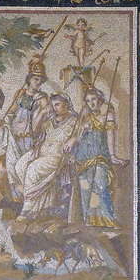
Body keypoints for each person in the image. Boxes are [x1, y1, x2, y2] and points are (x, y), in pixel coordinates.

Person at [0, 55, 49, 203]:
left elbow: (48, 115)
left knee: (24, 168)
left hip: (31, 139)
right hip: (15, 137)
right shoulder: (20, 94)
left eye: (40, 80)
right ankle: (17, 200)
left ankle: (29, 200)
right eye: (36, 79)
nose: (38, 82)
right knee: (11, 168)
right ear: (29, 79)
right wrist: (2, 121)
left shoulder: (42, 97)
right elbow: (11, 112)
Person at [16, 93, 80, 220]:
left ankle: (28, 209)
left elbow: (83, 135)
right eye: (53, 105)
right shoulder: (51, 121)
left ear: (67, 104)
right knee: (20, 165)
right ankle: (38, 206)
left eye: (58, 104)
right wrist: (42, 114)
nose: (55, 108)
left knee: (33, 169)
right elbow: (34, 132)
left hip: (58, 155)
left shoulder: (74, 121)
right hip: (42, 152)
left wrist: (74, 139)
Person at [74, 85, 128, 228]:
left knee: (101, 184)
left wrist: (113, 155)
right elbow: (79, 139)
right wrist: (82, 130)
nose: (91, 103)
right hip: (83, 157)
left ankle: (109, 219)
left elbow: (111, 135)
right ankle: (91, 220)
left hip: (100, 156)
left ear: (100, 100)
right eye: (88, 101)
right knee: (86, 187)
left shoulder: (108, 115)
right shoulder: (87, 117)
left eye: (93, 99)